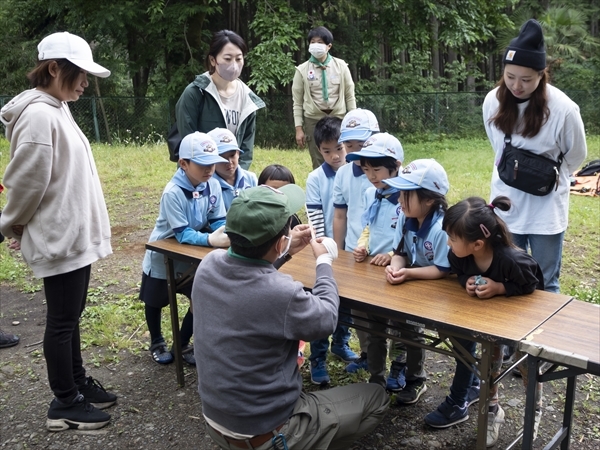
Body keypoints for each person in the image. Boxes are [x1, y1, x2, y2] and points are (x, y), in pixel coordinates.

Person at [192, 184, 389, 450]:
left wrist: (285, 251)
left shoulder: (208, 265)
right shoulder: (281, 293)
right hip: (269, 431)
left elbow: (250, 278)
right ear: (279, 241)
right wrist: (324, 263)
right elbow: (327, 317)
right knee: (376, 397)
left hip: (216, 421)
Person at [0, 31, 116, 431]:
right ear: (53, 69)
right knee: (62, 320)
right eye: (80, 73)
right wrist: (12, 225)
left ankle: (78, 382)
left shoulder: (57, 106)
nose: (86, 82)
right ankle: (64, 403)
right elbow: (25, 183)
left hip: (72, 234)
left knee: (72, 316)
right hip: (59, 236)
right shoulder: (38, 115)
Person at [424, 196, 544, 447]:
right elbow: (460, 273)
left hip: (520, 325)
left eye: (452, 238)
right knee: (489, 367)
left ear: (477, 243)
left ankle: (535, 411)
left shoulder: (513, 261)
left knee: (526, 367)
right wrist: (465, 280)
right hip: (488, 325)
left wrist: (501, 287)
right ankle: (492, 412)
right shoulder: (459, 256)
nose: (447, 243)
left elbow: (533, 287)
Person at [483, 18, 587, 294]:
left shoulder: (564, 109)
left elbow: (576, 155)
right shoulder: (493, 100)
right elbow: (497, 147)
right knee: (506, 275)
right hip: (506, 203)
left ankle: (541, 338)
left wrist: (545, 177)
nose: (517, 85)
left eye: (526, 79)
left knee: (545, 282)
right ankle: (508, 338)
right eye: (510, 77)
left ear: (542, 74)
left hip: (546, 208)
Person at [139, 132, 229, 366]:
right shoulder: (173, 192)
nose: (209, 170)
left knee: (200, 298)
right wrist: (211, 240)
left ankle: (181, 343)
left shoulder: (212, 185)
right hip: (164, 254)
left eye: (212, 163)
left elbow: (218, 217)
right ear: (184, 163)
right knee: (155, 300)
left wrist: (224, 231)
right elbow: (182, 234)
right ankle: (157, 341)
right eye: (202, 164)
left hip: (192, 256)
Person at [375, 159, 451, 405]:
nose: (399, 200)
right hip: (411, 282)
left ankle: (416, 379)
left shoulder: (441, 228)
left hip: (439, 289)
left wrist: (407, 274)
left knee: (413, 332)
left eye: (406, 195)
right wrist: (395, 268)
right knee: (395, 325)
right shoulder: (406, 219)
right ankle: (381, 378)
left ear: (429, 199)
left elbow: (441, 269)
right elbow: (400, 252)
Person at [304, 116, 358, 385]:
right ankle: (318, 357)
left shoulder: (358, 173)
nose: (335, 156)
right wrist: (323, 250)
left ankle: (341, 341)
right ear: (319, 150)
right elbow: (315, 218)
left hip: (353, 251)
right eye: (327, 151)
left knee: (346, 302)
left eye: (339, 148)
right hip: (326, 251)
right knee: (321, 304)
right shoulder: (315, 178)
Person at [332, 108, 380, 373]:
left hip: (384, 252)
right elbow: (340, 214)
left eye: (361, 143)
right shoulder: (344, 174)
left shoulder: (389, 170)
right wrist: (339, 251)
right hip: (354, 250)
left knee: (390, 314)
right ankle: (367, 355)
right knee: (360, 311)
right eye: (349, 144)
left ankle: (399, 363)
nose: (354, 149)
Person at [176, 30, 265, 170]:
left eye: (239, 58)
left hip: (232, 177)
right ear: (213, 60)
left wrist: (237, 177)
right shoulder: (195, 93)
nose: (234, 65)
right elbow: (188, 143)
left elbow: (246, 149)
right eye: (228, 59)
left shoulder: (248, 98)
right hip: (200, 177)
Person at [292, 26, 356, 169]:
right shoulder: (302, 70)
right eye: (312, 42)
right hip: (313, 120)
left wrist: (353, 121)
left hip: (338, 117)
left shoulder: (341, 66)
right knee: (319, 161)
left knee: (343, 158)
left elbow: (349, 96)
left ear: (328, 46)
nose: (315, 45)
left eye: (319, 42)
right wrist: (299, 129)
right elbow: (297, 102)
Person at [351, 132, 404, 267]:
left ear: (397, 166)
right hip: (372, 264)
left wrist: (392, 255)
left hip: (397, 267)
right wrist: (363, 247)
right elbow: (368, 227)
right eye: (366, 169)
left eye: (376, 169)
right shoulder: (371, 194)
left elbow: (412, 237)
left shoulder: (407, 199)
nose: (371, 176)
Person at [208, 127, 258, 210]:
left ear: (238, 154)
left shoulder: (251, 179)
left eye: (232, 155)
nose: (229, 161)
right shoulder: (208, 185)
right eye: (222, 158)